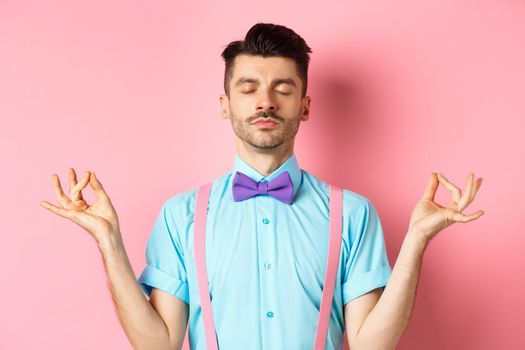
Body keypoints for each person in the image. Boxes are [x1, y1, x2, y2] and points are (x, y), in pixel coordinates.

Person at [40, 23, 484, 350]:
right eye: (249, 87)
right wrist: (108, 239)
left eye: (283, 89)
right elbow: (158, 344)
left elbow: (372, 345)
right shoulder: (181, 215)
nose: (266, 101)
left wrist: (418, 239)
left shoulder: (353, 213)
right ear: (225, 104)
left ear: (305, 106)